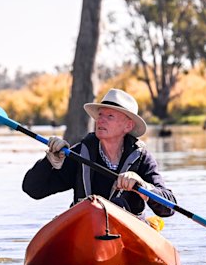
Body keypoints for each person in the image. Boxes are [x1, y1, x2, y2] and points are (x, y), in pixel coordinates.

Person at [22, 89, 176, 219]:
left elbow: (168, 209)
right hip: (86, 228)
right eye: (100, 115)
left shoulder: (142, 158)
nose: (101, 121)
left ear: (128, 126)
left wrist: (144, 187)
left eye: (110, 116)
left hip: (127, 234)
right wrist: (49, 161)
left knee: (118, 205)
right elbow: (33, 189)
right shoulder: (79, 154)